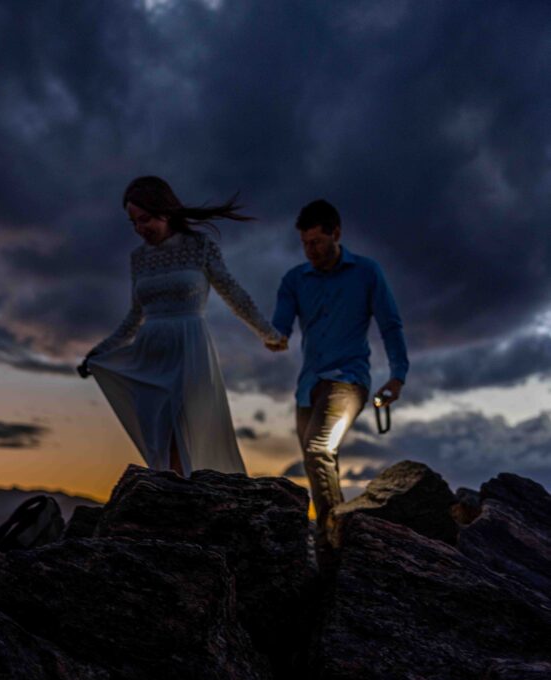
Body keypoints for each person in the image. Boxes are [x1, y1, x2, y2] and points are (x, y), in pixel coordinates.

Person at [77, 176, 287, 476]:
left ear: (164, 210)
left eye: (145, 219)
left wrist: (269, 333)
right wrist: (97, 354)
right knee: (161, 441)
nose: (140, 229)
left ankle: (184, 507)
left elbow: (234, 293)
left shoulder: (199, 246)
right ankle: (171, 509)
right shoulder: (138, 259)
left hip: (190, 351)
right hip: (150, 356)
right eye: (133, 222)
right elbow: (134, 317)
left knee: (183, 436)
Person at [271, 198, 409, 538]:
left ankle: (335, 540)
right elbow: (280, 327)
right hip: (308, 387)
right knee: (317, 461)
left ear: (337, 233)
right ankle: (337, 534)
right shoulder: (294, 279)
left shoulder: (366, 272)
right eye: (304, 243)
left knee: (319, 450)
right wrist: (274, 337)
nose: (310, 250)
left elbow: (390, 324)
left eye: (316, 242)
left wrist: (398, 375)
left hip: (348, 381)